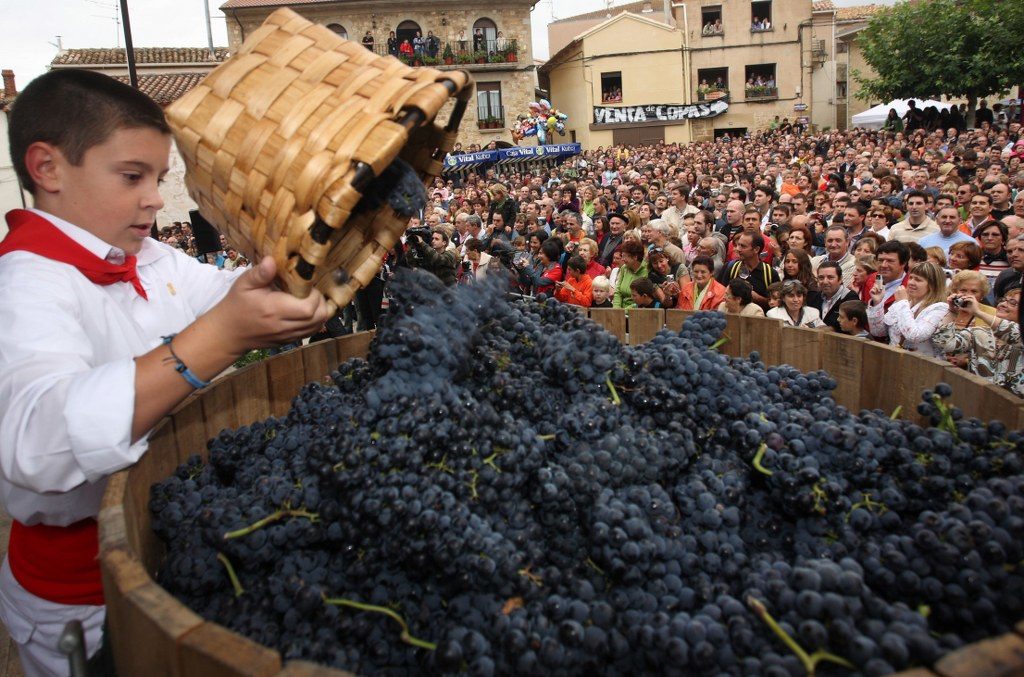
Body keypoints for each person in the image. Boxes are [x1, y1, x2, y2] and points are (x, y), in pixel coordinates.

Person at [0, 70, 329, 674]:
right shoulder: (23, 286)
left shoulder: (151, 257)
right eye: (132, 176)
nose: (154, 197)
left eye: (158, 177)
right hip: (79, 600)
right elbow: (36, 441)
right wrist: (218, 338)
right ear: (46, 168)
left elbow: (234, 290)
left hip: (180, 546)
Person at [934, 289, 1023, 397]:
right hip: (977, 402)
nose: (1003, 304)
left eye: (1012, 303)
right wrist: (952, 312)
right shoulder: (980, 332)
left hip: (1016, 407)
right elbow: (945, 344)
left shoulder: (1020, 336)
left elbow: (1013, 333)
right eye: (1003, 300)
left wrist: (978, 312)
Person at [867, 261, 949, 355]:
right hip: (894, 361)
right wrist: (877, 303)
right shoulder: (904, 303)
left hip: (922, 366)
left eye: (918, 280)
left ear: (932, 285)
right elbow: (878, 332)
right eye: (911, 278)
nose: (911, 283)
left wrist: (902, 303)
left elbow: (914, 336)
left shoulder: (939, 308)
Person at [717, 232, 779, 309]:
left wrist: (758, 298)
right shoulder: (730, 267)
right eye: (738, 245)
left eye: (743, 246)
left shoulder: (770, 273)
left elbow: (776, 305)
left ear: (756, 249)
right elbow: (719, 295)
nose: (738, 249)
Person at [813, 260, 859, 331]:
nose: (825, 282)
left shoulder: (851, 298)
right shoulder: (815, 298)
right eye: (821, 278)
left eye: (830, 277)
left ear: (840, 279)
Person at [612, 240, 648, 308]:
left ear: (635, 257)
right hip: (620, 310)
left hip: (636, 311)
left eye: (625, 256)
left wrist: (625, 311)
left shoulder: (646, 271)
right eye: (622, 256)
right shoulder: (624, 268)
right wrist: (616, 309)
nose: (622, 259)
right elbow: (618, 292)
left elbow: (643, 299)